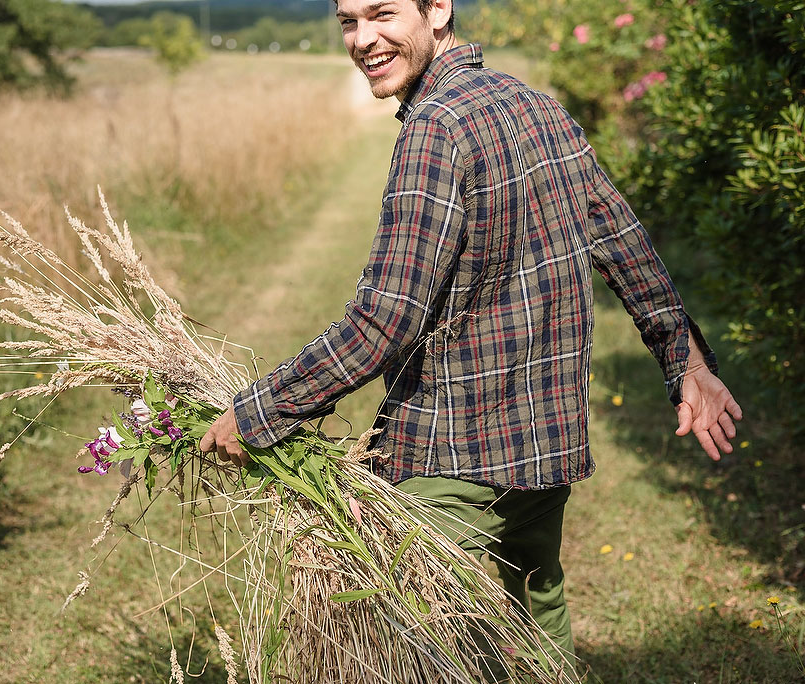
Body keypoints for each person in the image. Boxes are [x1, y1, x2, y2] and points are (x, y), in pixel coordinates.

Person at [200, 0, 742, 672]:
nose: (364, 38)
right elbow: (623, 241)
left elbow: (382, 321)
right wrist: (683, 358)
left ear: (438, 9)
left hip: (454, 454)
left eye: (382, 14)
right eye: (348, 21)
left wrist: (257, 413)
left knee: (383, 638)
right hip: (548, 446)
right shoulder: (538, 106)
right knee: (536, 618)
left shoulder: (435, 129)